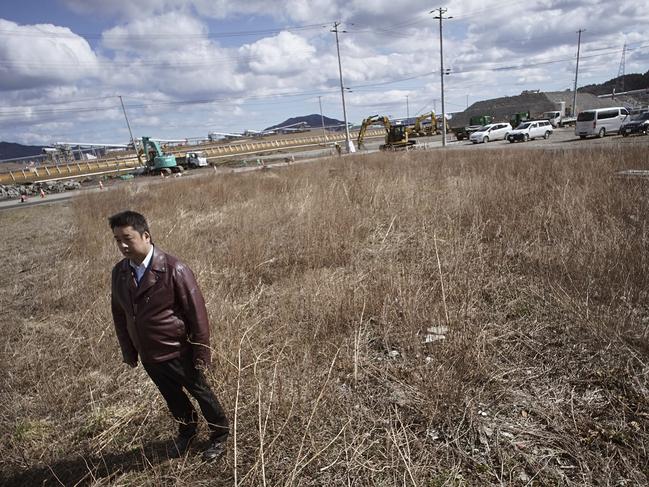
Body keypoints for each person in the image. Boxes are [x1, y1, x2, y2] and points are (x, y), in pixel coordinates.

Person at [109, 210, 229, 461]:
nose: (122, 245)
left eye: (127, 238)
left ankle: (219, 435)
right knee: (172, 397)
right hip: (149, 353)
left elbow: (197, 314)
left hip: (177, 349)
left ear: (146, 236)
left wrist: (201, 352)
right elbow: (120, 314)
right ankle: (187, 432)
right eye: (117, 239)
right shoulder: (120, 272)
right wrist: (129, 350)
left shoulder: (174, 269)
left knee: (201, 393)